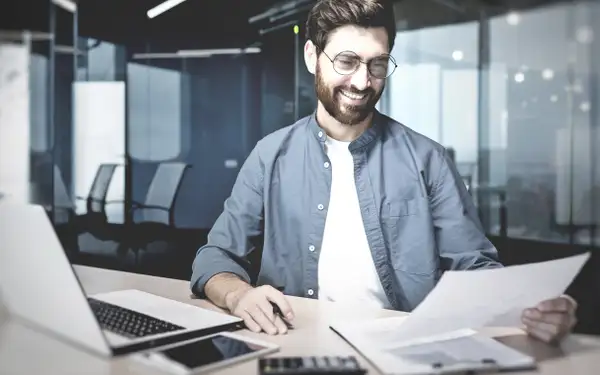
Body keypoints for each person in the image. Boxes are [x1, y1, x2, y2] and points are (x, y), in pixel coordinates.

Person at [190, 0, 577, 344]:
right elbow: (216, 257)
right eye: (346, 61)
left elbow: (474, 268)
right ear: (312, 56)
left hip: (405, 351)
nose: (362, 81)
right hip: (296, 343)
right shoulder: (270, 155)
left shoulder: (429, 159)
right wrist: (239, 294)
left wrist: (532, 309)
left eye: (377, 64)